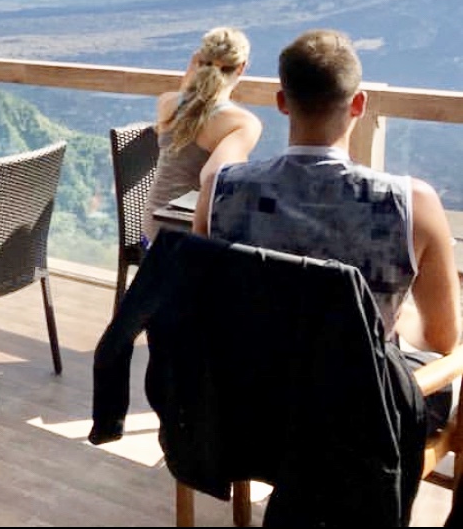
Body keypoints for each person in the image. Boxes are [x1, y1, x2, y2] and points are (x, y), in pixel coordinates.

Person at [195, 29, 460, 427]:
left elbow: (207, 301)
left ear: (283, 102)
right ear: (358, 104)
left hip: (245, 412)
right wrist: (395, 317)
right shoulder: (412, 205)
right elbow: (442, 340)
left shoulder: (222, 190)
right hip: (357, 428)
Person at [143, 26, 261, 242]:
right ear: (241, 67)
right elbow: (213, 177)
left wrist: (193, 70)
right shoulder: (243, 124)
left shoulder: (167, 103)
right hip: (190, 233)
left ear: (198, 60)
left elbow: (188, 101)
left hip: (153, 226)